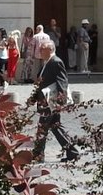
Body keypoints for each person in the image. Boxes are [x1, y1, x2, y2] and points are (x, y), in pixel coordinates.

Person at [27, 34, 78, 163]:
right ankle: (72, 152)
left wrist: (61, 100)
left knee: (42, 127)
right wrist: (33, 98)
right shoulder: (46, 63)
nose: (39, 51)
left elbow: (62, 81)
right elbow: (41, 84)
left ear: (50, 49)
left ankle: (38, 155)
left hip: (51, 102)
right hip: (46, 101)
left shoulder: (56, 62)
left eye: (42, 49)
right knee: (55, 127)